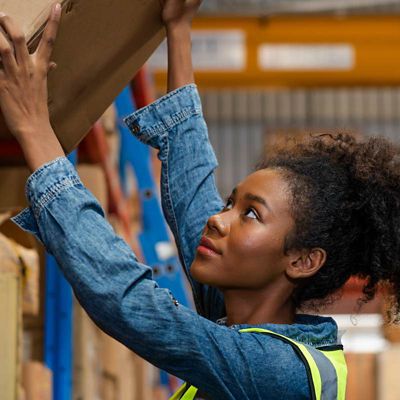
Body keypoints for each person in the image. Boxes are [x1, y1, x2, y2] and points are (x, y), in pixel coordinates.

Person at [1, 1, 400, 399]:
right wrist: (178, 30)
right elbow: (192, 193)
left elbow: (133, 304)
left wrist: (34, 127)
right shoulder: (241, 316)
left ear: (301, 260)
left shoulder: (278, 372)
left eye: (251, 215)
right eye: (231, 203)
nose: (219, 219)